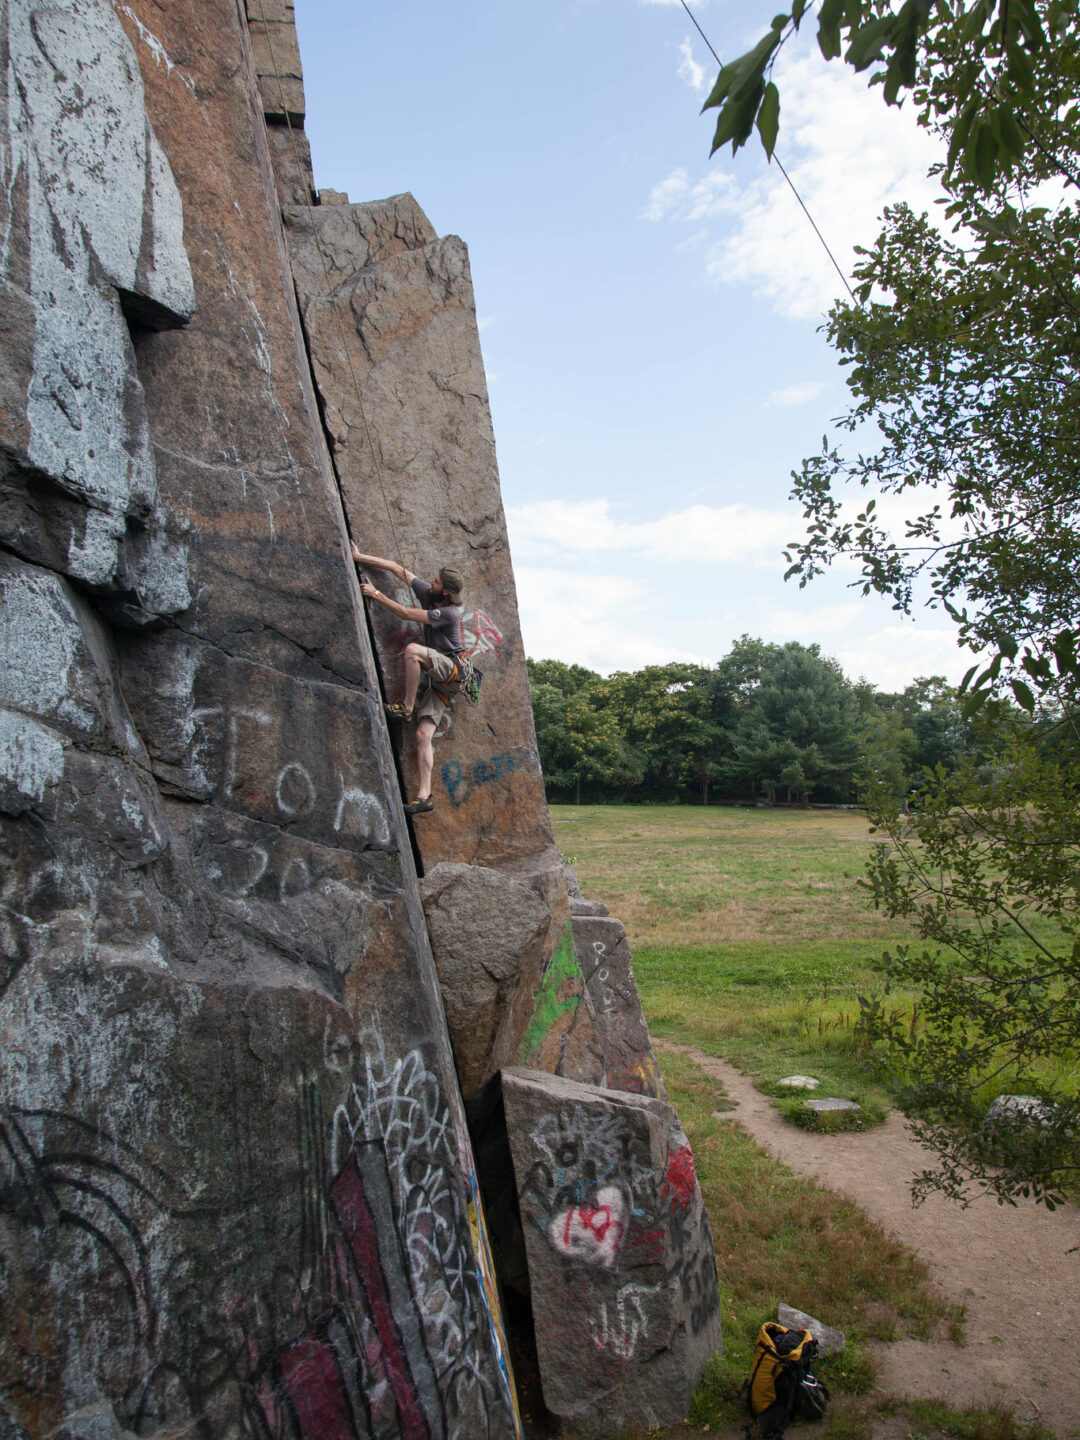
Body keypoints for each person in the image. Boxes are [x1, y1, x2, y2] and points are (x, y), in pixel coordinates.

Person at [350, 541, 467, 815]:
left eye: (436, 581)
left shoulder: (448, 613)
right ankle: (424, 796)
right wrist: (359, 556)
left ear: (446, 591)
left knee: (413, 650)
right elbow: (396, 568)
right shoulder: (430, 593)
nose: (431, 581)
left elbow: (404, 613)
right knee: (422, 734)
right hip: (444, 684)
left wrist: (376, 595)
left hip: (453, 670)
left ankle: (406, 706)